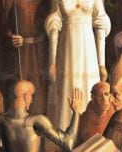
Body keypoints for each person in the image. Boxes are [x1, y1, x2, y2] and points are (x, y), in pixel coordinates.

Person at [45, 0, 110, 129]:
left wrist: (101, 64)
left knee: (89, 87)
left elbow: (101, 26)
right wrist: (52, 62)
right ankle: (66, 132)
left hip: (88, 49)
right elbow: (54, 26)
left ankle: (88, 131)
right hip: (67, 49)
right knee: (67, 89)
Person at [0, 0, 50, 115]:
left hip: (39, 54)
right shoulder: (8, 1)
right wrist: (11, 37)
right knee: (19, 89)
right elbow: (3, 26)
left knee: (39, 93)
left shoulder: (46, 2)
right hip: (19, 54)